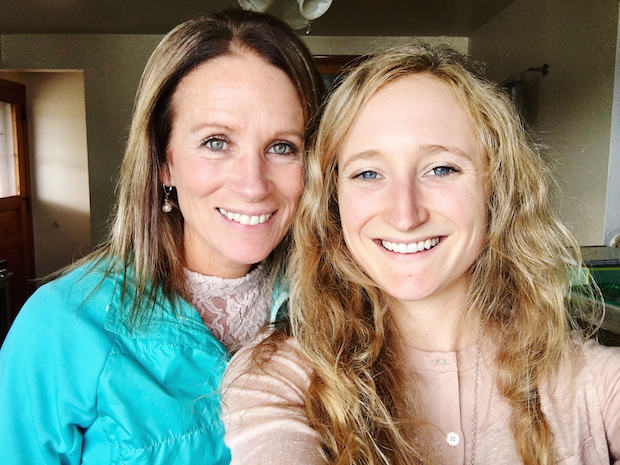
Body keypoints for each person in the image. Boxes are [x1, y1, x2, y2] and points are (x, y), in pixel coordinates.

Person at [221, 43, 620, 464]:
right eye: (368, 173)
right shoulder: (279, 379)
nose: (405, 214)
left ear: (496, 187)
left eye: (441, 169)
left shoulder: (588, 380)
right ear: (334, 200)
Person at [0, 9, 323, 465]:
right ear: (164, 162)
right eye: (216, 142)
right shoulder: (61, 324)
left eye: (282, 147)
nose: (253, 185)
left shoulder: (337, 311)